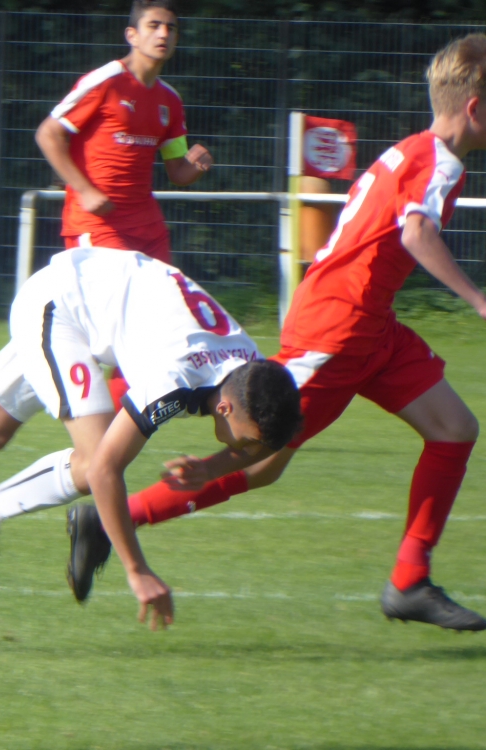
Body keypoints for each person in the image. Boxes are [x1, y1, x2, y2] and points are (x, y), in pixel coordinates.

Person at [66, 33, 486, 633]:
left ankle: (409, 581)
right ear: (474, 108)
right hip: (337, 329)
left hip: (371, 326)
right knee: (261, 457)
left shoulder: (417, 150)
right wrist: (477, 300)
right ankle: (112, 520)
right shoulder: (439, 162)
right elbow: (417, 233)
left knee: (455, 429)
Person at [0, 247, 302, 635]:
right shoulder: (176, 377)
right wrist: (137, 570)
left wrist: (212, 467)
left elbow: (268, 443)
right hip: (59, 306)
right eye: (242, 443)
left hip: (88, 291)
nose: (241, 452)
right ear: (225, 409)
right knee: (92, 461)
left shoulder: (252, 373)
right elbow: (106, 470)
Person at [34, 0, 213, 265]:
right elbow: (48, 134)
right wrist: (85, 191)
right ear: (132, 35)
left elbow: (177, 173)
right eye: (154, 26)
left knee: (163, 292)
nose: (163, 34)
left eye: (171, 28)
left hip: (148, 226)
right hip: (98, 224)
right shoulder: (107, 80)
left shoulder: (171, 100)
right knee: (114, 292)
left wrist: (197, 165)